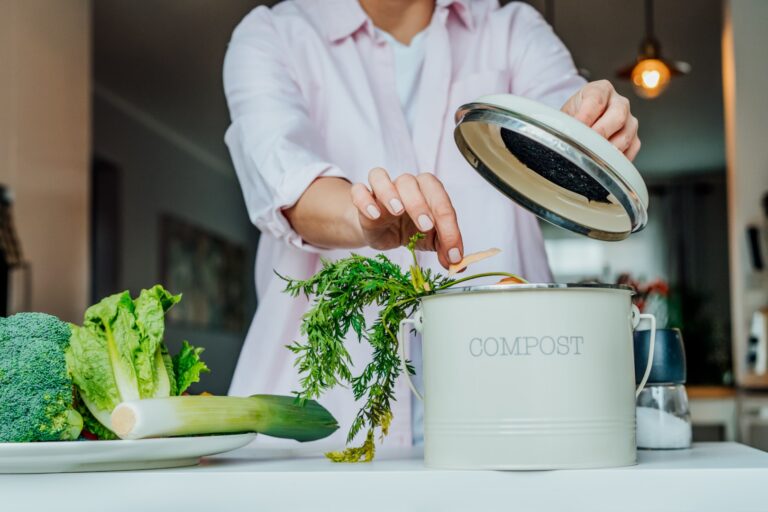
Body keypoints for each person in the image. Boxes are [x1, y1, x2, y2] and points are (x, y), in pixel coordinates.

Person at [223, 0, 640, 448]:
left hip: (512, 416)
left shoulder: (510, 30)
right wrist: (363, 216)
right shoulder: (274, 34)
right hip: (325, 425)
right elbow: (287, 181)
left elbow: (562, 117)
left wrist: (589, 123)